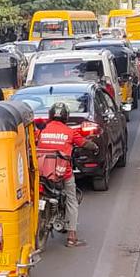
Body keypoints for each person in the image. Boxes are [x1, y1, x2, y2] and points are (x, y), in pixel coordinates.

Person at [35, 101, 98, 248]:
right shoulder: (70, 132)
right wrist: (94, 147)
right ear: (66, 117)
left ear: (51, 115)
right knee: (71, 199)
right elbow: (84, 143)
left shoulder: (42, 131)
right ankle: (72, 237)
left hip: (42, 173)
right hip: (63, 174)